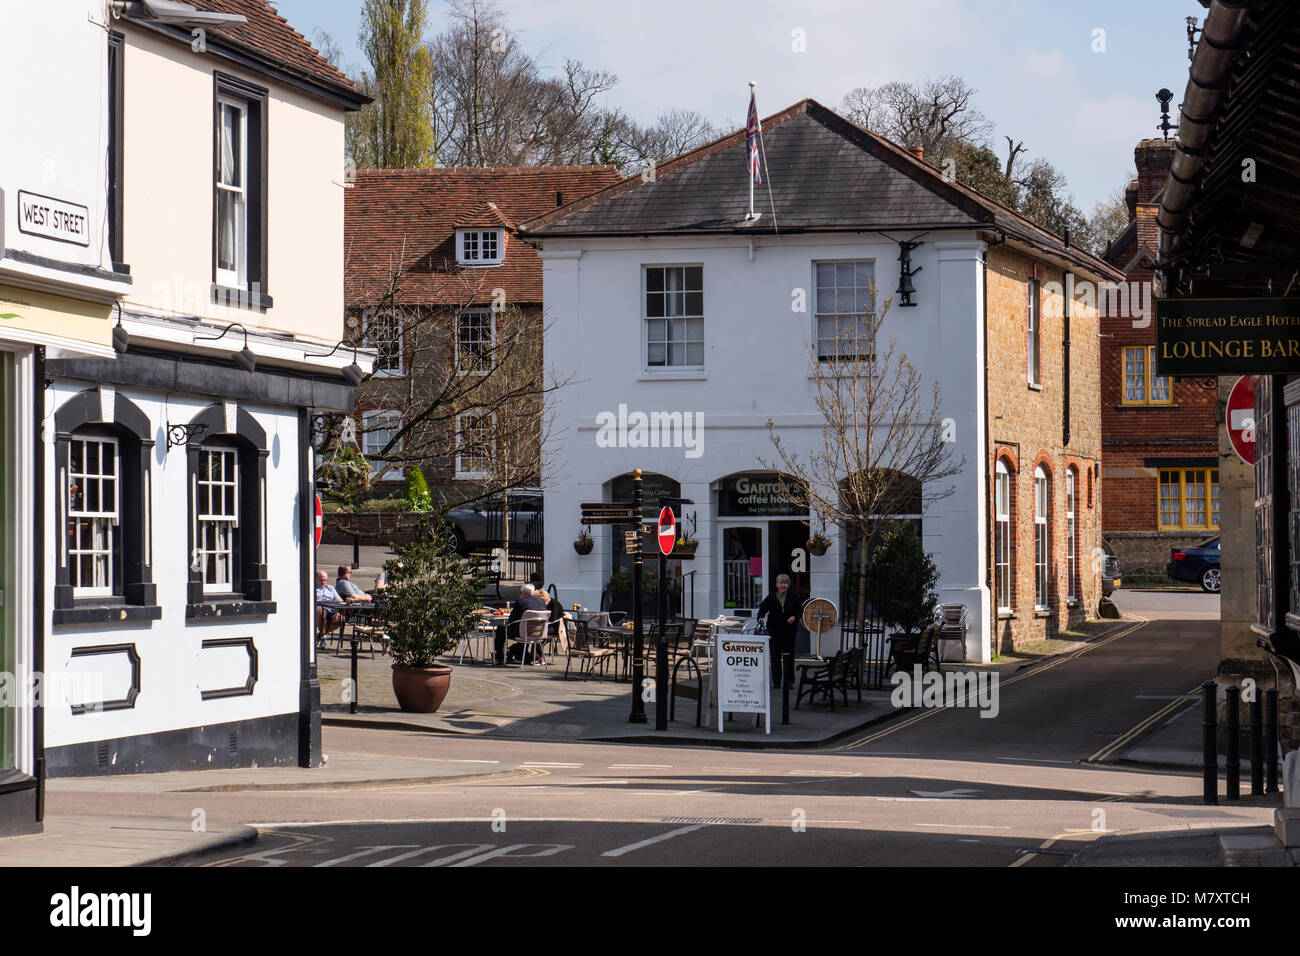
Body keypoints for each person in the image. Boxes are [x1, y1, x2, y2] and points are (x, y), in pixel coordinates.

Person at [757, 573, 801, 687]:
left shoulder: (793, 596)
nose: (783, 585)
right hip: (774, 631)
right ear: (777, 584)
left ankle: (789, 682)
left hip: (789, 632)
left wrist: (794, 617)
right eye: (781, 583)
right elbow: (762, 609)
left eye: (785, 583)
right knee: (775, 657)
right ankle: (776, 682)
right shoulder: (771, 597)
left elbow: (800, 611)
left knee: (789, 657)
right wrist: (760, 618)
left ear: (788, 584)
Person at [494, 584, 548, 665]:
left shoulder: (520, 602)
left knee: (501, 628)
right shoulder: (542, 602)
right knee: (521, 627)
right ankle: (517, 653)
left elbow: (512, 619)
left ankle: (499, 657)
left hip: (523, 633)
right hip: (539, 633)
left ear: (523, 593)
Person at [315, 569, 344, 641]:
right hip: (317, 612)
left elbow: (339, 600)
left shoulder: (330, 588)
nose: (323, 582)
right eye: (321, 580)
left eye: (325, 580)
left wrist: (337, 600)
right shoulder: (312, 588)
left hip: (330, 611)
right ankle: (323, 637)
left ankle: (321, 635)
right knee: (320, 611)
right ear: (315, 579)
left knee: (341, 618)